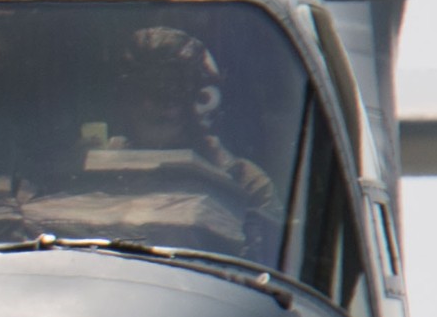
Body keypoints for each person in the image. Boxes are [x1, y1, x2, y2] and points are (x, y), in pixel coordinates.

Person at [33, 25, 279, 255]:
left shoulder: (243, 183)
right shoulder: (86, 169)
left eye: (176, 90)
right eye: (147, 88)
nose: (163, 106)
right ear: (124, 97)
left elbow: (266, 265)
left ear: (201, 99)